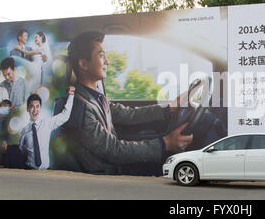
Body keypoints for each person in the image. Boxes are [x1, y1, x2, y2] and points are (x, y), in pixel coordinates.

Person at [66, 31, 193, 175]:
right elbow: (113, 150)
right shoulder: (80, 107)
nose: (107, 61)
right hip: (107, 174)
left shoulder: (96, 97)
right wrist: (166, 143)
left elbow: (129, 114)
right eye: (101, 56)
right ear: (83, 64)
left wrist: (169, 107)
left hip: (115, 167)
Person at [18, 88, 75, 170]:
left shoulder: (47, 123)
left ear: (40, 108)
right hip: (29, 170)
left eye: (37, 106)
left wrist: (71, 96)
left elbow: (65, 116)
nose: (35, 110)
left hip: (45, 171)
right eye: (32, 107)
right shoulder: (24, 131)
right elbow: (21, 150)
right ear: (28, 109)